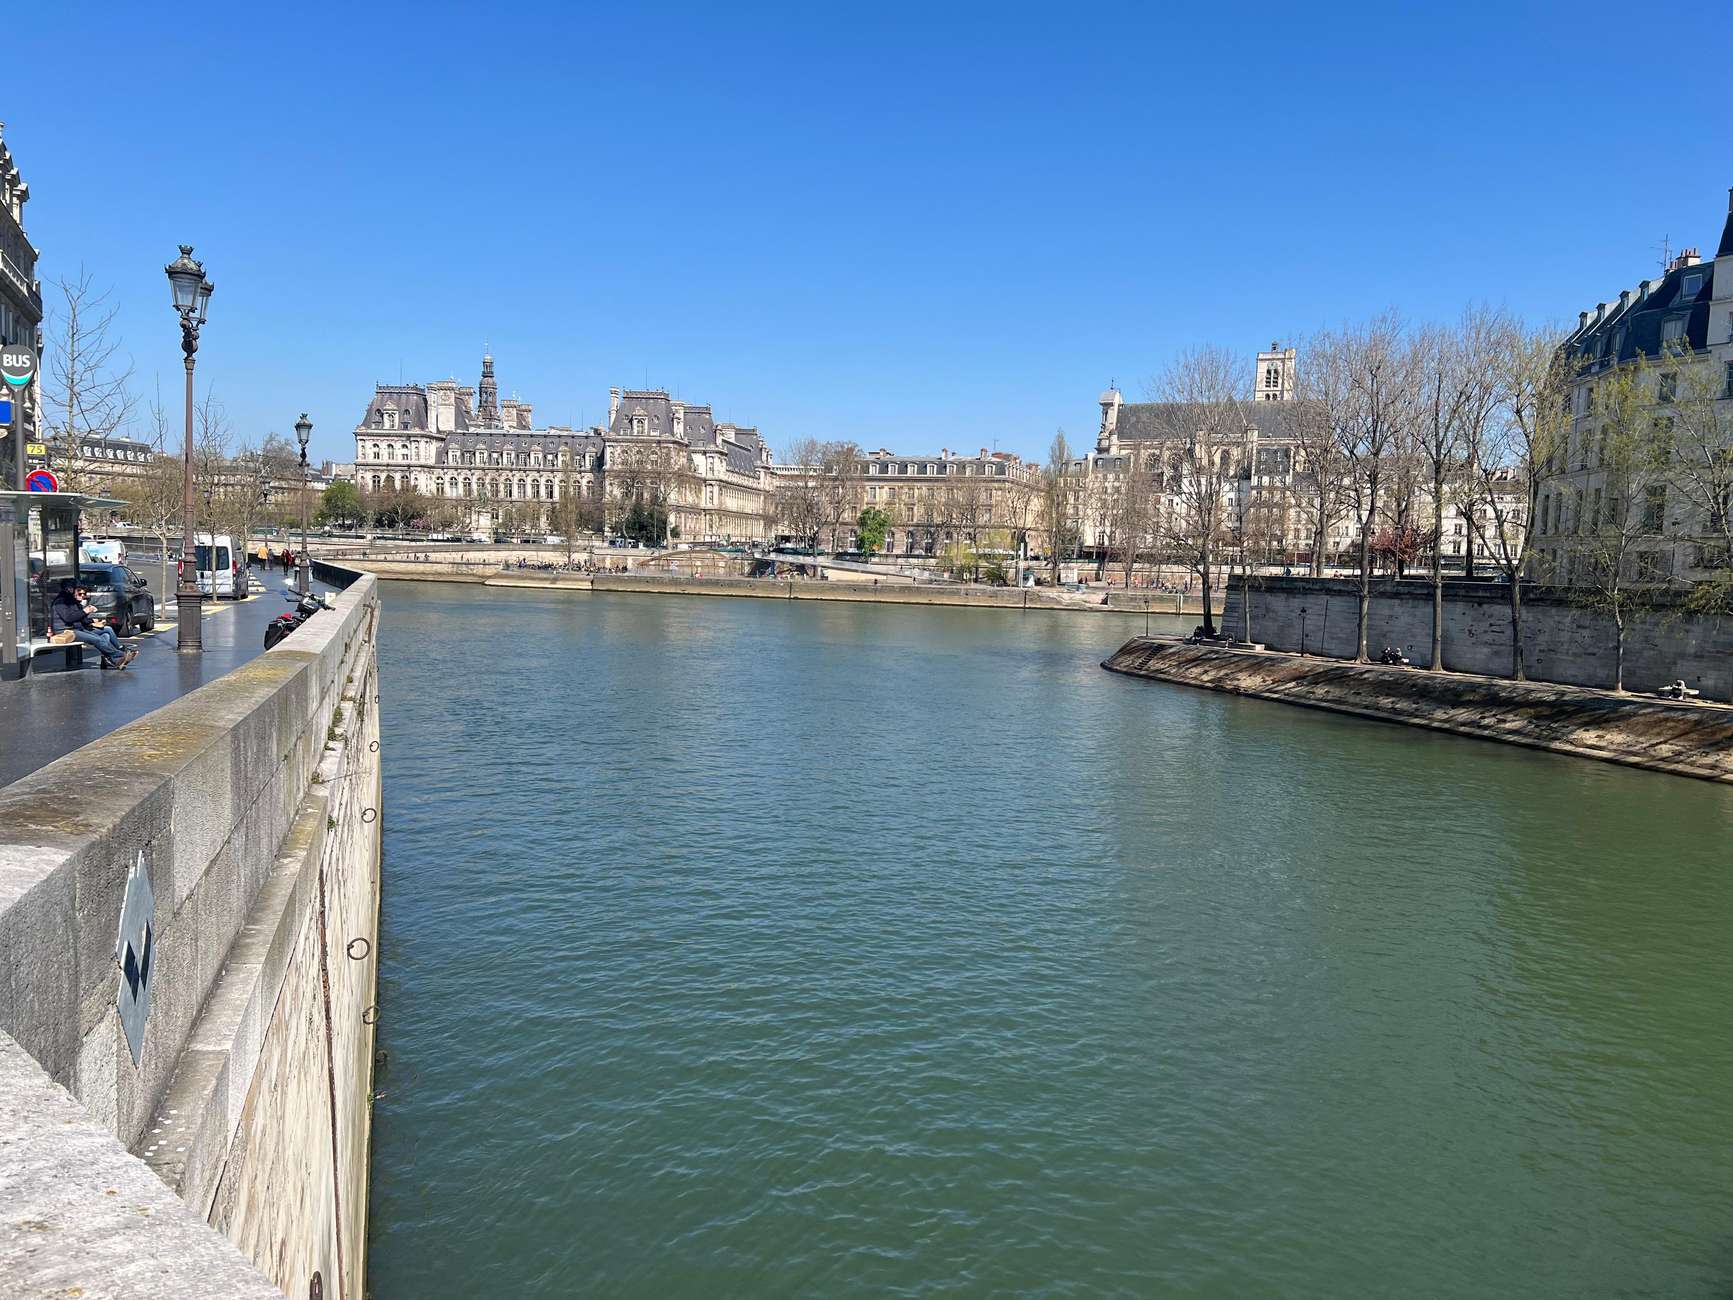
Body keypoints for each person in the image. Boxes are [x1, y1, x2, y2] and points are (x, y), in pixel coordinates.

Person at [51, 578, 136, 670]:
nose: (80, 593)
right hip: (65, 632)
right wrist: (85, 611)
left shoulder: (70, 601)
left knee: (103, 637)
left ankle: (114, 660)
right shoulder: (60, 602)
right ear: (70, 589)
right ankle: (121, 654)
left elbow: (79, 618)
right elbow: (69, 618)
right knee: (98, 640)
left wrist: (91, 619)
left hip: (74, 630)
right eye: (78, 590)